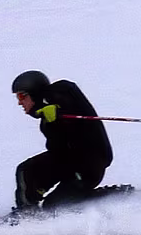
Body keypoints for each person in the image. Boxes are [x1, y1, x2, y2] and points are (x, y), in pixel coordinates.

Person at [10, 69, 113, 212]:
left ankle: (106, 196)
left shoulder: (60, 93)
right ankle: (27, 212)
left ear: (34, 93)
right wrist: (54, 122)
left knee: (54, 206)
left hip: (88, 166)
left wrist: (58, 107)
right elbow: (58, 149)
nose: (19, 102)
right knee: (26, 171)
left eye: (22, 96)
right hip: (69, 163)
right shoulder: (47, 120)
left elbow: (68, 93)